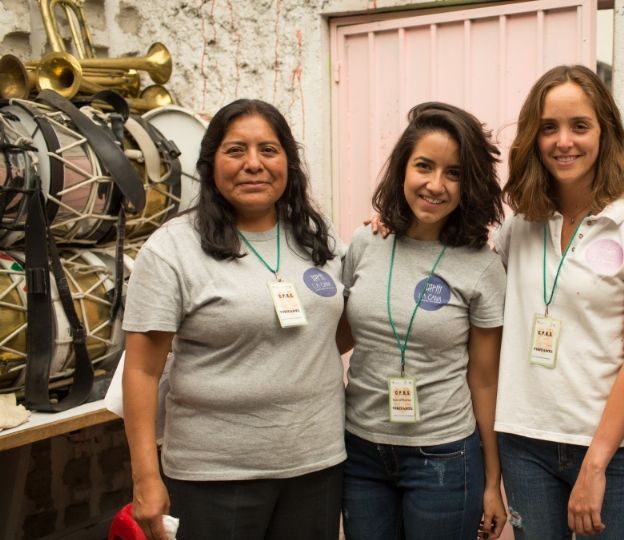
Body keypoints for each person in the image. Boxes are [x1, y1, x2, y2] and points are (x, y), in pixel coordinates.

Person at [122, 99, 350, 540]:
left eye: (268, 150)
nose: (253, 164)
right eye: (235, 151)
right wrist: (145, 478)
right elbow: (142, 370)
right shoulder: (172, 249)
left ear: (288, 162)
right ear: (210, 165)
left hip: (317, 465)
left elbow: (331, 335)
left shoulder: (318, 239)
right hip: (214, 475)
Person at [494, 65, 624, 539]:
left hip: (610, 447)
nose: (563, 141)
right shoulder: (519, 225)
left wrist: (595, 465)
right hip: (524, 439)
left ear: (604, 132)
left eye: (579, 126)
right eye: (549, 127)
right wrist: (396, 227)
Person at [340, 102, 507, 540]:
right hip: (360, 451)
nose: (436, 185)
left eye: (453, 173)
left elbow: (485, 380)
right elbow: (334, 337)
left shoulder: (482, 267)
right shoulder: (365, 242)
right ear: (402, 171)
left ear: (469, 183)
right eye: (424, 167)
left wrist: (493, 482)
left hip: (444, 456)